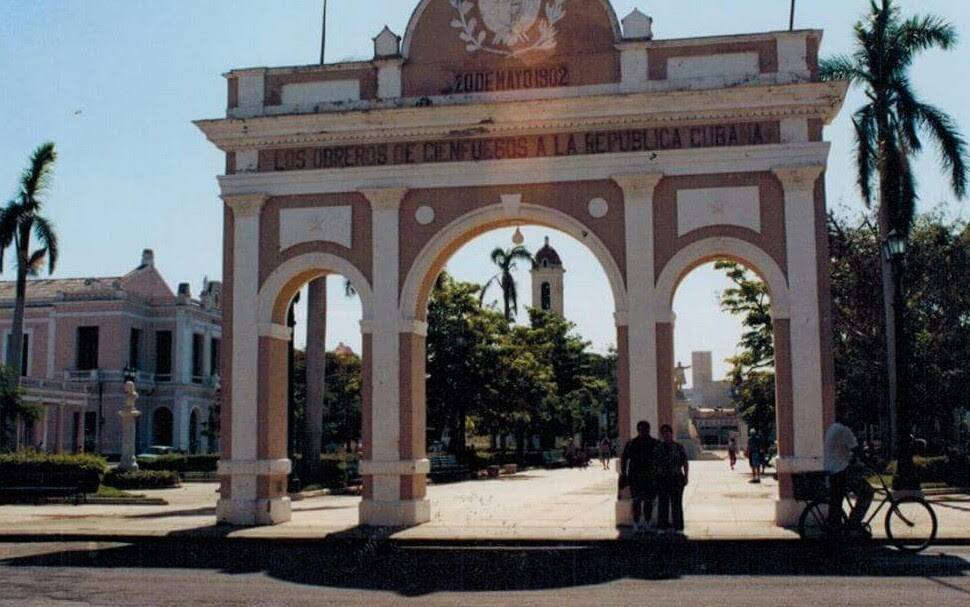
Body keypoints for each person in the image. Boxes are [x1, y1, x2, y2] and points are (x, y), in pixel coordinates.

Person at [824, 420, 875, 535]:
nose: (851, 417)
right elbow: (857, 451)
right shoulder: (844, 430)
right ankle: (854, 524)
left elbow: (841, 452)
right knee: (867, 492)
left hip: (833, 472)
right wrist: (871, 463)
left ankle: (847, 524)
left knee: (837, 502)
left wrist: (853, 460)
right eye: (848, 414)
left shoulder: (832, 427)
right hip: (841, 472)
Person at [620, 420, 660, 533]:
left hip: (650, 476)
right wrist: (624, 473)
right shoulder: (631, 443)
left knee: (648, 502)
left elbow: (660, 459)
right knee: (636, 501)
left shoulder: (655, 443)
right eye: (641, 429)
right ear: (638, 430)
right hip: (635, 477)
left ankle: (647, 523)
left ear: (649, 430)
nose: (643, 431)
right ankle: (636, 523)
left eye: (645, 429)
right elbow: (624, 459)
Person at [655, 424, 689, 533]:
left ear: (671, 433)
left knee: (676, 503)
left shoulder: (679, 447)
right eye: (663, 433)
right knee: (662, 503)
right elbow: (654, 463)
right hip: (662, 478)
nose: (666, 435)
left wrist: (686, 476)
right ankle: (662, 527)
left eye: (667, 432)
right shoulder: (658, 447)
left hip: (676, 477)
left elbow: (684, 462)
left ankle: (678, 527)